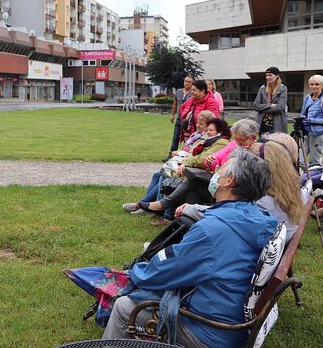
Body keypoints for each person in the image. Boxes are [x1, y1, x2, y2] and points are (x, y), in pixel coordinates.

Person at [103, 149, 277, 348]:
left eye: (221, 168)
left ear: (230, 180)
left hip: (211, 331)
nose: (216, 171)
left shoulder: (213, 231)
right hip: (231, 320)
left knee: (124, 307)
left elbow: (166, 272)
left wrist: (135, 271)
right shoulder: (257, 218)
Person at [139, 118, 258, 221]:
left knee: (191, 181)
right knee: (190, 188)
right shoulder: (232, 145)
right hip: (219, 183)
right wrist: (211, 160)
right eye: (236, 139)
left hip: (231, 190)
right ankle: (179, 222)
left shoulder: (256, 152)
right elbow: (213, 159)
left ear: (253, 137)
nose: (238, 143)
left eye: (241, 140)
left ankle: (163, 208)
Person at [123, 110, 216, 214]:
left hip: (188, 167)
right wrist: (179, 153)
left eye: (201, 123)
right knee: (157, 175)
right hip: (183, 162)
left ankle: (147, 207)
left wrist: (182, 155)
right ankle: (146, 205)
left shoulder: (206, 138)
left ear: (208, 126)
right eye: (197, 122)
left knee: (164, 175)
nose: (197, 125)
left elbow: (197, 156)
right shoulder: (196, 135)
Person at [178, 79, 220, 144]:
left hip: (202, 139)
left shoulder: (211, 102)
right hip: (190, 136)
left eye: (194, 90)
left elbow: (213, 122)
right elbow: (182, 108)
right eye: (191, 90)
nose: (191, 92)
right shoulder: (191, 100)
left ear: (202, 91)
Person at [254, 66, 288, 134]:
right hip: (262, 124)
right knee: (263, 143)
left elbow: (279, 107)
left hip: (276, 124)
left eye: (270, 75)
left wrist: (262, 108)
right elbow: (256, 106)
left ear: (277, 76)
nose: (268, 77)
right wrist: (270, 105)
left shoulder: (283, 89)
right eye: (266, 75)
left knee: (275, 144)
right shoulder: (262, 89)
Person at [167, 76, 194, 159]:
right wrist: (172, 115)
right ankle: (171, 155)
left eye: (189, 82)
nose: (187, 83)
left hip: (188, 121)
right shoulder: (179, 91)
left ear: (192, 84)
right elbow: (175, 104)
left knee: (188, 139)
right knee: (175, 137)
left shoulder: (193, 93)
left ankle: (187, 156)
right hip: (179, 119)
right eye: (186, 81)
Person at [300, 74, 323, 167]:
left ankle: (314, 179)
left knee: (315, 161)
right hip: (306, 132)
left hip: (318, 133)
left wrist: (310, 120)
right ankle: (310, 176)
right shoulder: (307, 98)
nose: (314, 86)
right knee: (299, 159)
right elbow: (302, 114)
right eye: (312, 84)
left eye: (317, 84)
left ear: (322, 85)